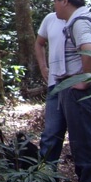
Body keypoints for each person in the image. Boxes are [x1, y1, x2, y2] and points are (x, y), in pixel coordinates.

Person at [44, 0, 91, 182]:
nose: (54, 6)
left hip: (81, 94)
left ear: (65, 0)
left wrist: (84, 79)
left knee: (86, 147)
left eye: (55, 1)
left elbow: (88, 47)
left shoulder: (79, 22)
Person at [34, 11, 67, 170]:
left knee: (83, 140)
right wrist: (43, 67)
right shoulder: (50, 19)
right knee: (50, 137)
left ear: (65, 0)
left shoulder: (87, 19)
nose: (54, 3)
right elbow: (39, 42)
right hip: (55, 86)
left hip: (79, 89)